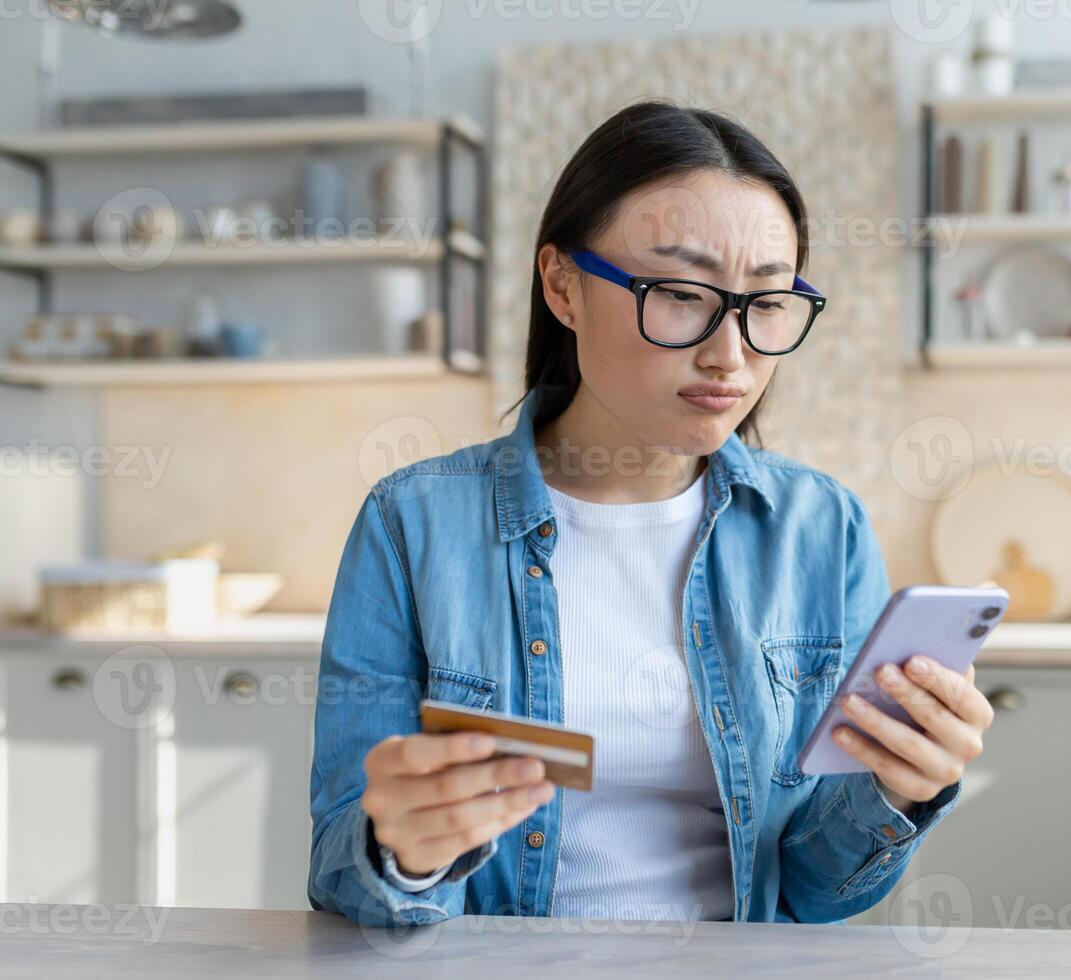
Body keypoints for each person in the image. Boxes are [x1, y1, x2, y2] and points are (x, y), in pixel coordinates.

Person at [308, 100, 994, 927]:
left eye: (767, 303)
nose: (729, 354)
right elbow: (341, 877)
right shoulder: (411, 525)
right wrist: (404, 853)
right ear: (562, 286)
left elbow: (815, 891)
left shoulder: (823, 530)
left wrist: (897, 788)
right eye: (679, 292)